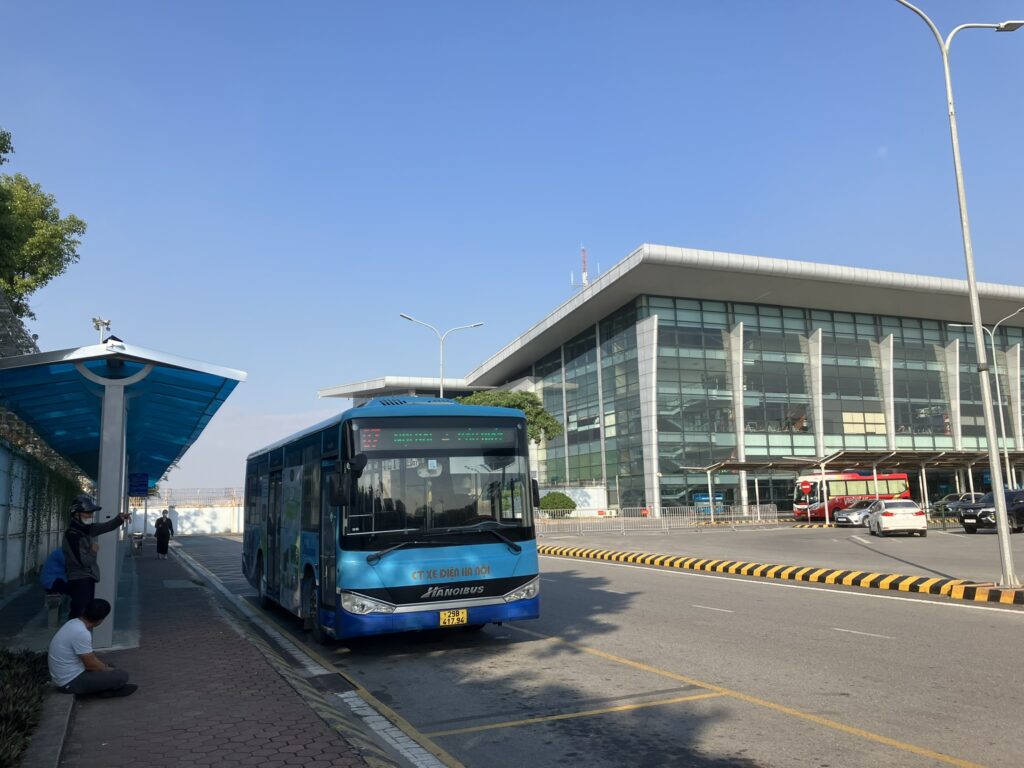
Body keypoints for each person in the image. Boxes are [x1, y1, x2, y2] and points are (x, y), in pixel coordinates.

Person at [48, 598, 137, 698]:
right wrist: (107, 669)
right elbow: (90, 665)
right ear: (101, 619)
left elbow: (89, 659)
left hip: (66, 676)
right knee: (122, 676)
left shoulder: (73, 623)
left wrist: (105, 668)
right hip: (69, 682)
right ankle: (103, 692)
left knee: (109, 667)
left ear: (84, 610)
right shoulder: (81, 633)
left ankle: (101, 686)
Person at [63, 495, 130, 619]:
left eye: (91, 513)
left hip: (88, 578)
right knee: (79, 614)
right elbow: (84, 562)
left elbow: (106, 526)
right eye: (87, 513)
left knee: (84, 613)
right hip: (79, 580)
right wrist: (93, 551)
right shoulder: (72, 535)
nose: (90, 516)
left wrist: (120, 518)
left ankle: (80, 636)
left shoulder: (86, 529)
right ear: (76, 514)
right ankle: (74, 637)